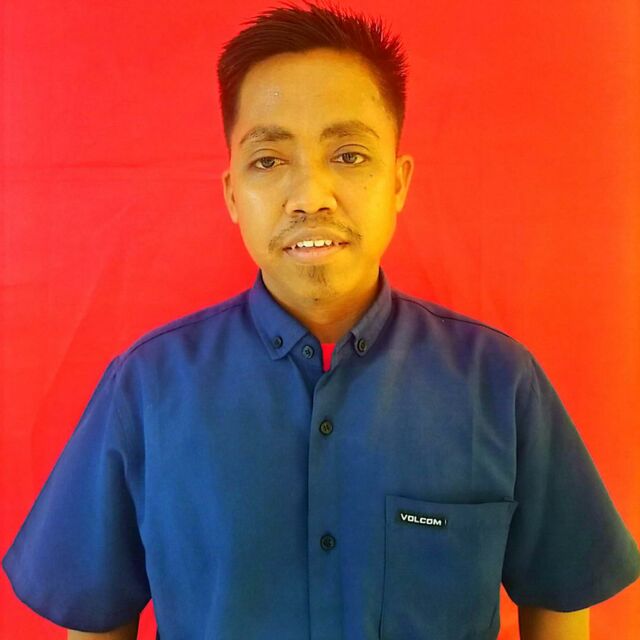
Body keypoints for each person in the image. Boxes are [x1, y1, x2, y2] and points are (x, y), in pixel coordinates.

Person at [3, 1, 639, 639]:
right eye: (268, 160)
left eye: (350, 155)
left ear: (398, 182)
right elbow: (96, 619)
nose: (310, 197)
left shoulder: (499, 384)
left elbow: (560, 603)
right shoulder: (146, 390)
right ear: (232, 193)